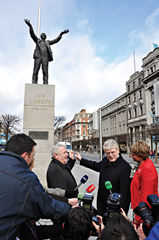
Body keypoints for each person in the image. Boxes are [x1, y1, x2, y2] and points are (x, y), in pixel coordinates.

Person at [0, 133, 71, 240]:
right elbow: (47, 205)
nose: (32, 162)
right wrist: (73, 211)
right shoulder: (25, 178)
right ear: (24, 156)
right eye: (32, 156)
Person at [75, 139, 132, 216]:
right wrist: (81, 160)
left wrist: (122, 212)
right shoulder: (105, 160)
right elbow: (95, 165)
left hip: (114, 207)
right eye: (107, 153)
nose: (110, 155)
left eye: (112, 152)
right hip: (102, 202)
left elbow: (125, 194)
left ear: (118, 150)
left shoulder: (125, 167)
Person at [24, 19, 69, 84]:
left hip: (45, 57)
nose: (44, 35)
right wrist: (30, 26)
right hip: (38, 56)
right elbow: (32, 34)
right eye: (43, 35)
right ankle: (34, 82)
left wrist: (61, 34)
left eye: (45, 35)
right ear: (41, 36)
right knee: (36, 70)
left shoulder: (47, 42)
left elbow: (56, 40)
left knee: (45, 71)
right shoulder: (38, 41)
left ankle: (45, 83)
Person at [130, 140, 158, 226]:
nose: (131, 156)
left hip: (142, 213)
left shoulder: (147, 168)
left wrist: (140, 216)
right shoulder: (142, 165)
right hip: (139, 208)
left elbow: (147, 195)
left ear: (141, 155)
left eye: (134, 155)